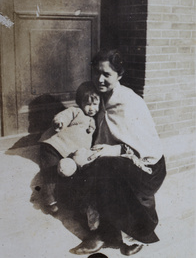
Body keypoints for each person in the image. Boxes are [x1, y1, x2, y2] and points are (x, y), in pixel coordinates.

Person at [68, 49, 166, 256]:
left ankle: (132, 235)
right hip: (122, 159)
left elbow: (147, 148)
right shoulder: (97, 96)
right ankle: (102, 229)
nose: (100, 79)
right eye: (96, 73)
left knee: (106, 168)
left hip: (148, 168)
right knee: (93, 164)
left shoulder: (129, 102)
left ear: (119, 75)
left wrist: (114, 150)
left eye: (107, 74)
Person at [39, 81, 100, 212]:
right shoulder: (76, 111)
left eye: (95, 104)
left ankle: (67, 199)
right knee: (51, 169)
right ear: (80, 103)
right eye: (88, 104)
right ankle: (49, 197)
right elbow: (64, 116)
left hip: (70, 154)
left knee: (69, 173)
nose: (91, 108)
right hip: (55, 145)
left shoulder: (94, 121)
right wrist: (59, 122)